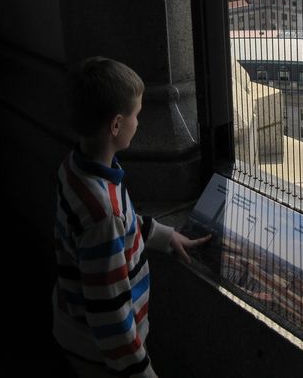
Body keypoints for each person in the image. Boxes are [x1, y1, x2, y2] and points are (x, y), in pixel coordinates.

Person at [52, 57, 210, 377]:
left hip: (77, 326)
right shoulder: (102, 214)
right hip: (101, 352)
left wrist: (165, 236)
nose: (139, 123)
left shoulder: (77, 168)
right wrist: (140, 371)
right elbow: (109, 313)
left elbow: (124, 223)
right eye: (136, 115)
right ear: (116, 125)